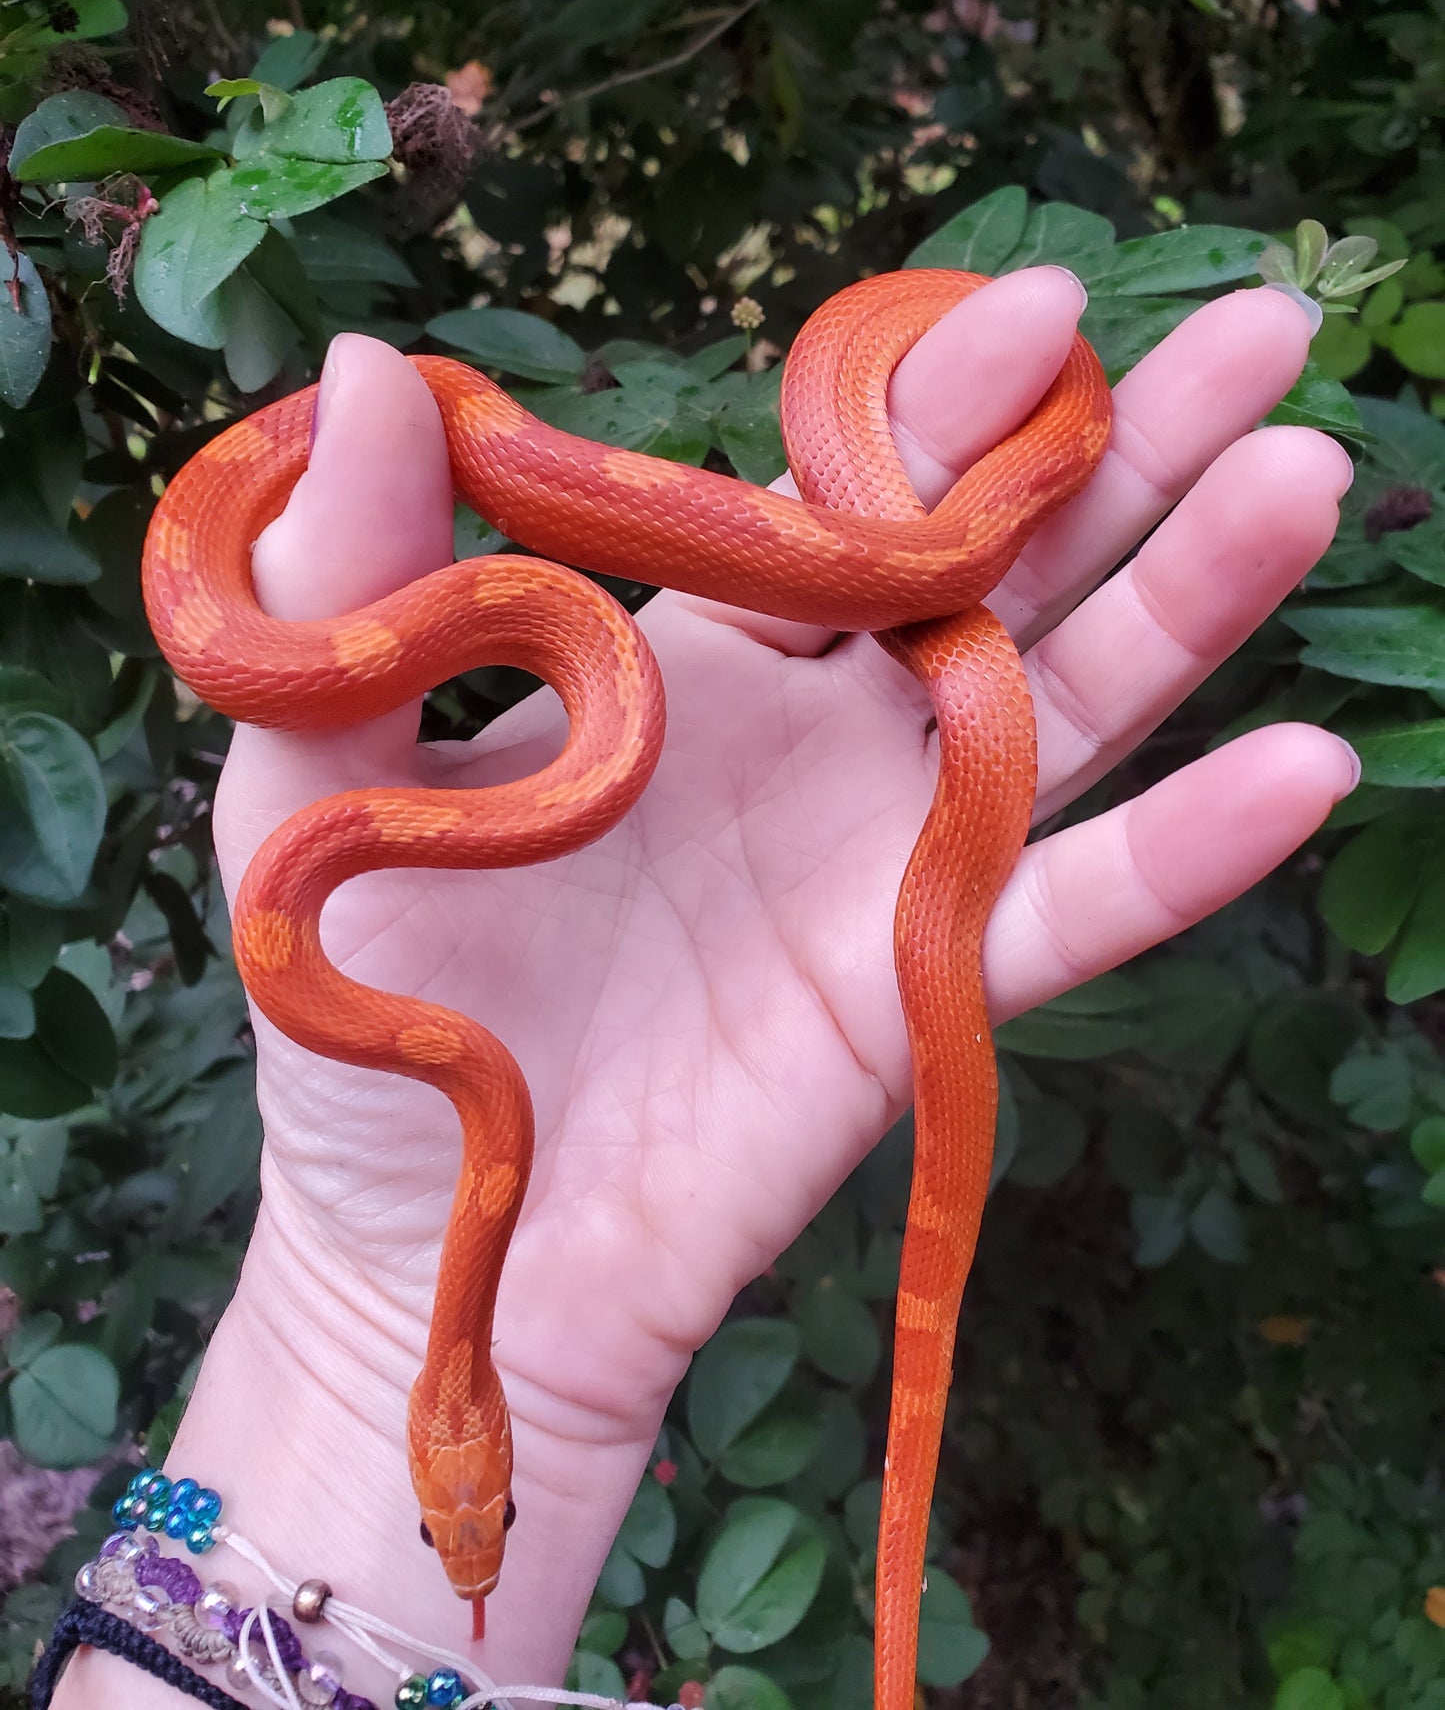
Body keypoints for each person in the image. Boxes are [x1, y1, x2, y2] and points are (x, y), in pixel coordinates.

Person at [52, 267, 1356, 1707]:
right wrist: (356, 1317)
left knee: (463, 414)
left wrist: (358, 1323)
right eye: (456, 1521)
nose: (469, 1545)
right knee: (469, 418)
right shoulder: (366, 977)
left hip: (825, 572)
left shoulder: (347, 939)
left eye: (453, 1519)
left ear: (454, 1449)